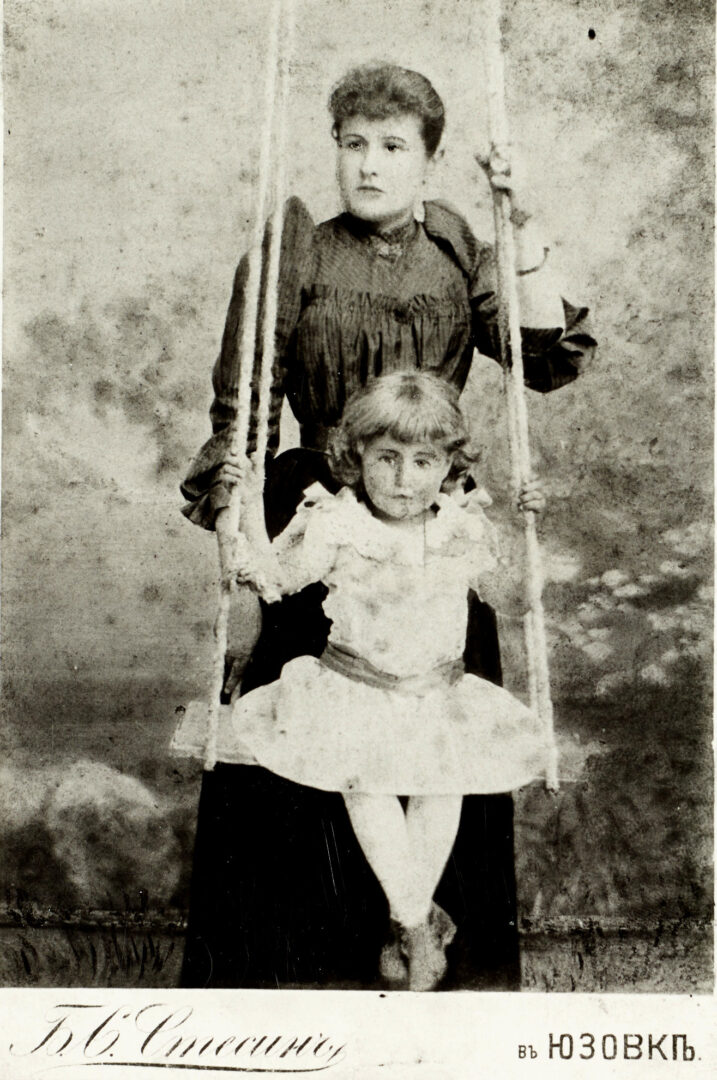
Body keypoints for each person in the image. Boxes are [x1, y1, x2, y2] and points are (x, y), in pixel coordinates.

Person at [179, 63, 596, 990]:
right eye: (353, 145)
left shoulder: (454, 241)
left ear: (428, 160)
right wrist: (236, 550)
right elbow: (240, 415)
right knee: (303, 753)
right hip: (318, 520)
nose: (367, 167)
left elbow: (542, 361)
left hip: (432, 522)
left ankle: (440, 963)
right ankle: (295, 987)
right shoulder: (295, 247)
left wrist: (519, 233)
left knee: (443, 747)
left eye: (392, 148)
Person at [226, 372, 549, 991]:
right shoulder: (335, 523)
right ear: (356, 457)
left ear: (449, 463)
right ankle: (416, 922)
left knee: (442, 783)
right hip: (352, 690)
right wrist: (246, 513)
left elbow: (513, 599)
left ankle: (410, 921)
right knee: (364, 782)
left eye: (424, 460)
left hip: (438, 695)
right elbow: (273, 580)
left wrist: (528, 535)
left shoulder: (462, 527)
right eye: (387, 459)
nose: (405, 479)